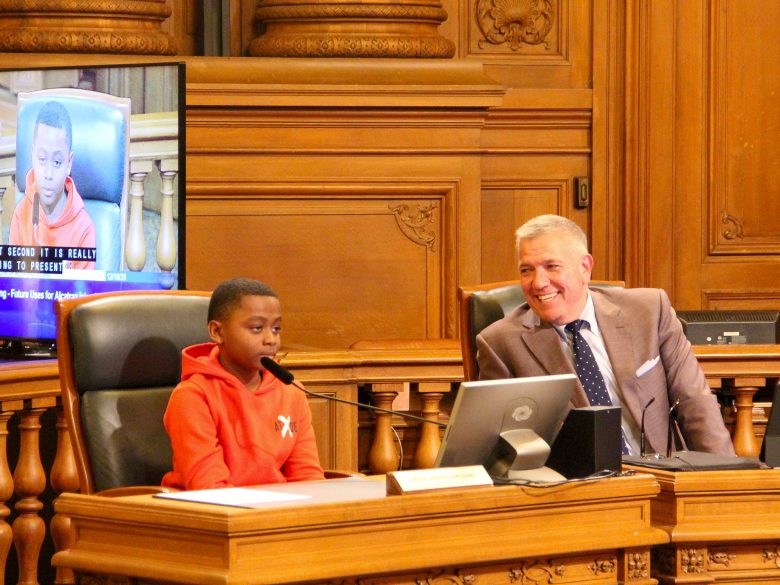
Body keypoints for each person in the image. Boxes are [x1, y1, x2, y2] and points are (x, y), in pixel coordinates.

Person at [476, 214, 735, 456]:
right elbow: (501, 447)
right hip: (577, 492)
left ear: (585, 268)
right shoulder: (500, 343)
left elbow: (695, 401)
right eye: (526, 270)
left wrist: (725, 484)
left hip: (662, 478)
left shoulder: (648, 311)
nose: (538, 282)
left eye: (552, 266)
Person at [162, 277, 325, 490]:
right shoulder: (193, 396)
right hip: (217, 515)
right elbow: (208, 486)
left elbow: (307, 477)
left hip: (277, 514)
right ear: (217, 332)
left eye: (276, 329)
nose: (271, 340)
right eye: (257, 328)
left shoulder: (291, 392)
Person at [10, 100, 96, 269]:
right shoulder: (21, 215)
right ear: (33, 155)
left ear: (69, 164)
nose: (48, 174)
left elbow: (84, 293)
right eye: (42, 160)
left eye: (57, 162)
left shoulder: (84, 229)